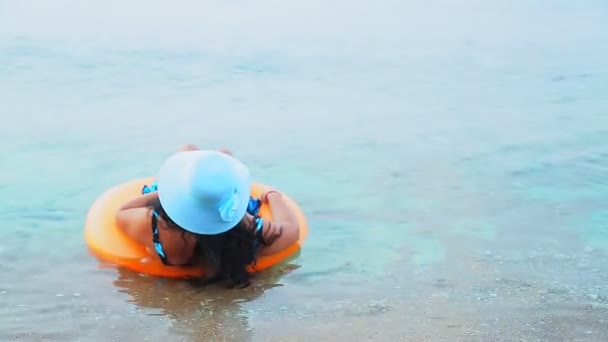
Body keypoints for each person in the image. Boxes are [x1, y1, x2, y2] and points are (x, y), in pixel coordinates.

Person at [115, 145, 300, 288]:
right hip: (229, 231)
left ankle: (197, 174)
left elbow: (122, 212)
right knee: (224, 155)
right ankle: (214, 174)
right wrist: (272, 195)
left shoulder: (155, 227)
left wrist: (168, 192)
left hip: (178, 228)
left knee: (187, 150)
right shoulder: (249, 231)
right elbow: (292, 229)